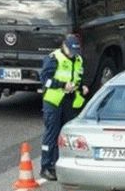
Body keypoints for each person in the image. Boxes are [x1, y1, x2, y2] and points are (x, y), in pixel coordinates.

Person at [39, 35, 89, 181]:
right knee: (51, 134)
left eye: (76, 51)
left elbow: (78, 77)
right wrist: (62, 85)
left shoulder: (78, 59)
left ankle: (60, 163)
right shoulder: (53, 58)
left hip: (69, 100)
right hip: (53, 101)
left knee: (66, 134)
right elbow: (45, 80)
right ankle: (46, 166)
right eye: (71, 50)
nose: (73, 53)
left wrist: (82, 87)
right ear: (64, 46)